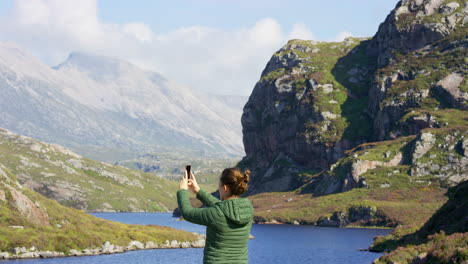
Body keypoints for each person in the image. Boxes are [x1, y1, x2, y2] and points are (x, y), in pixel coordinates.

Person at [177, 167, 254, 264]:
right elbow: (223, 208)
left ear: (225, 188)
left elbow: (187, 212)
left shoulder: (217, 213)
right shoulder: (248, 208)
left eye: (219, 186)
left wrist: (183, 191)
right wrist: (198, 191)